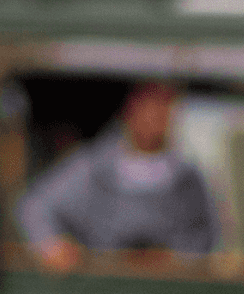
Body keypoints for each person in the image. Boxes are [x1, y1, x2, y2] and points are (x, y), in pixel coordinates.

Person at [19, 80, 218, 271]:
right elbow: (34, 207)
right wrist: (53, 247)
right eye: (148, 104)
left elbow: (204, 240)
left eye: (165, 105)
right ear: (130, 108)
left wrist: (174, 261)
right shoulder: (93, 167)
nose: (157, 114)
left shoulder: (189, 179)